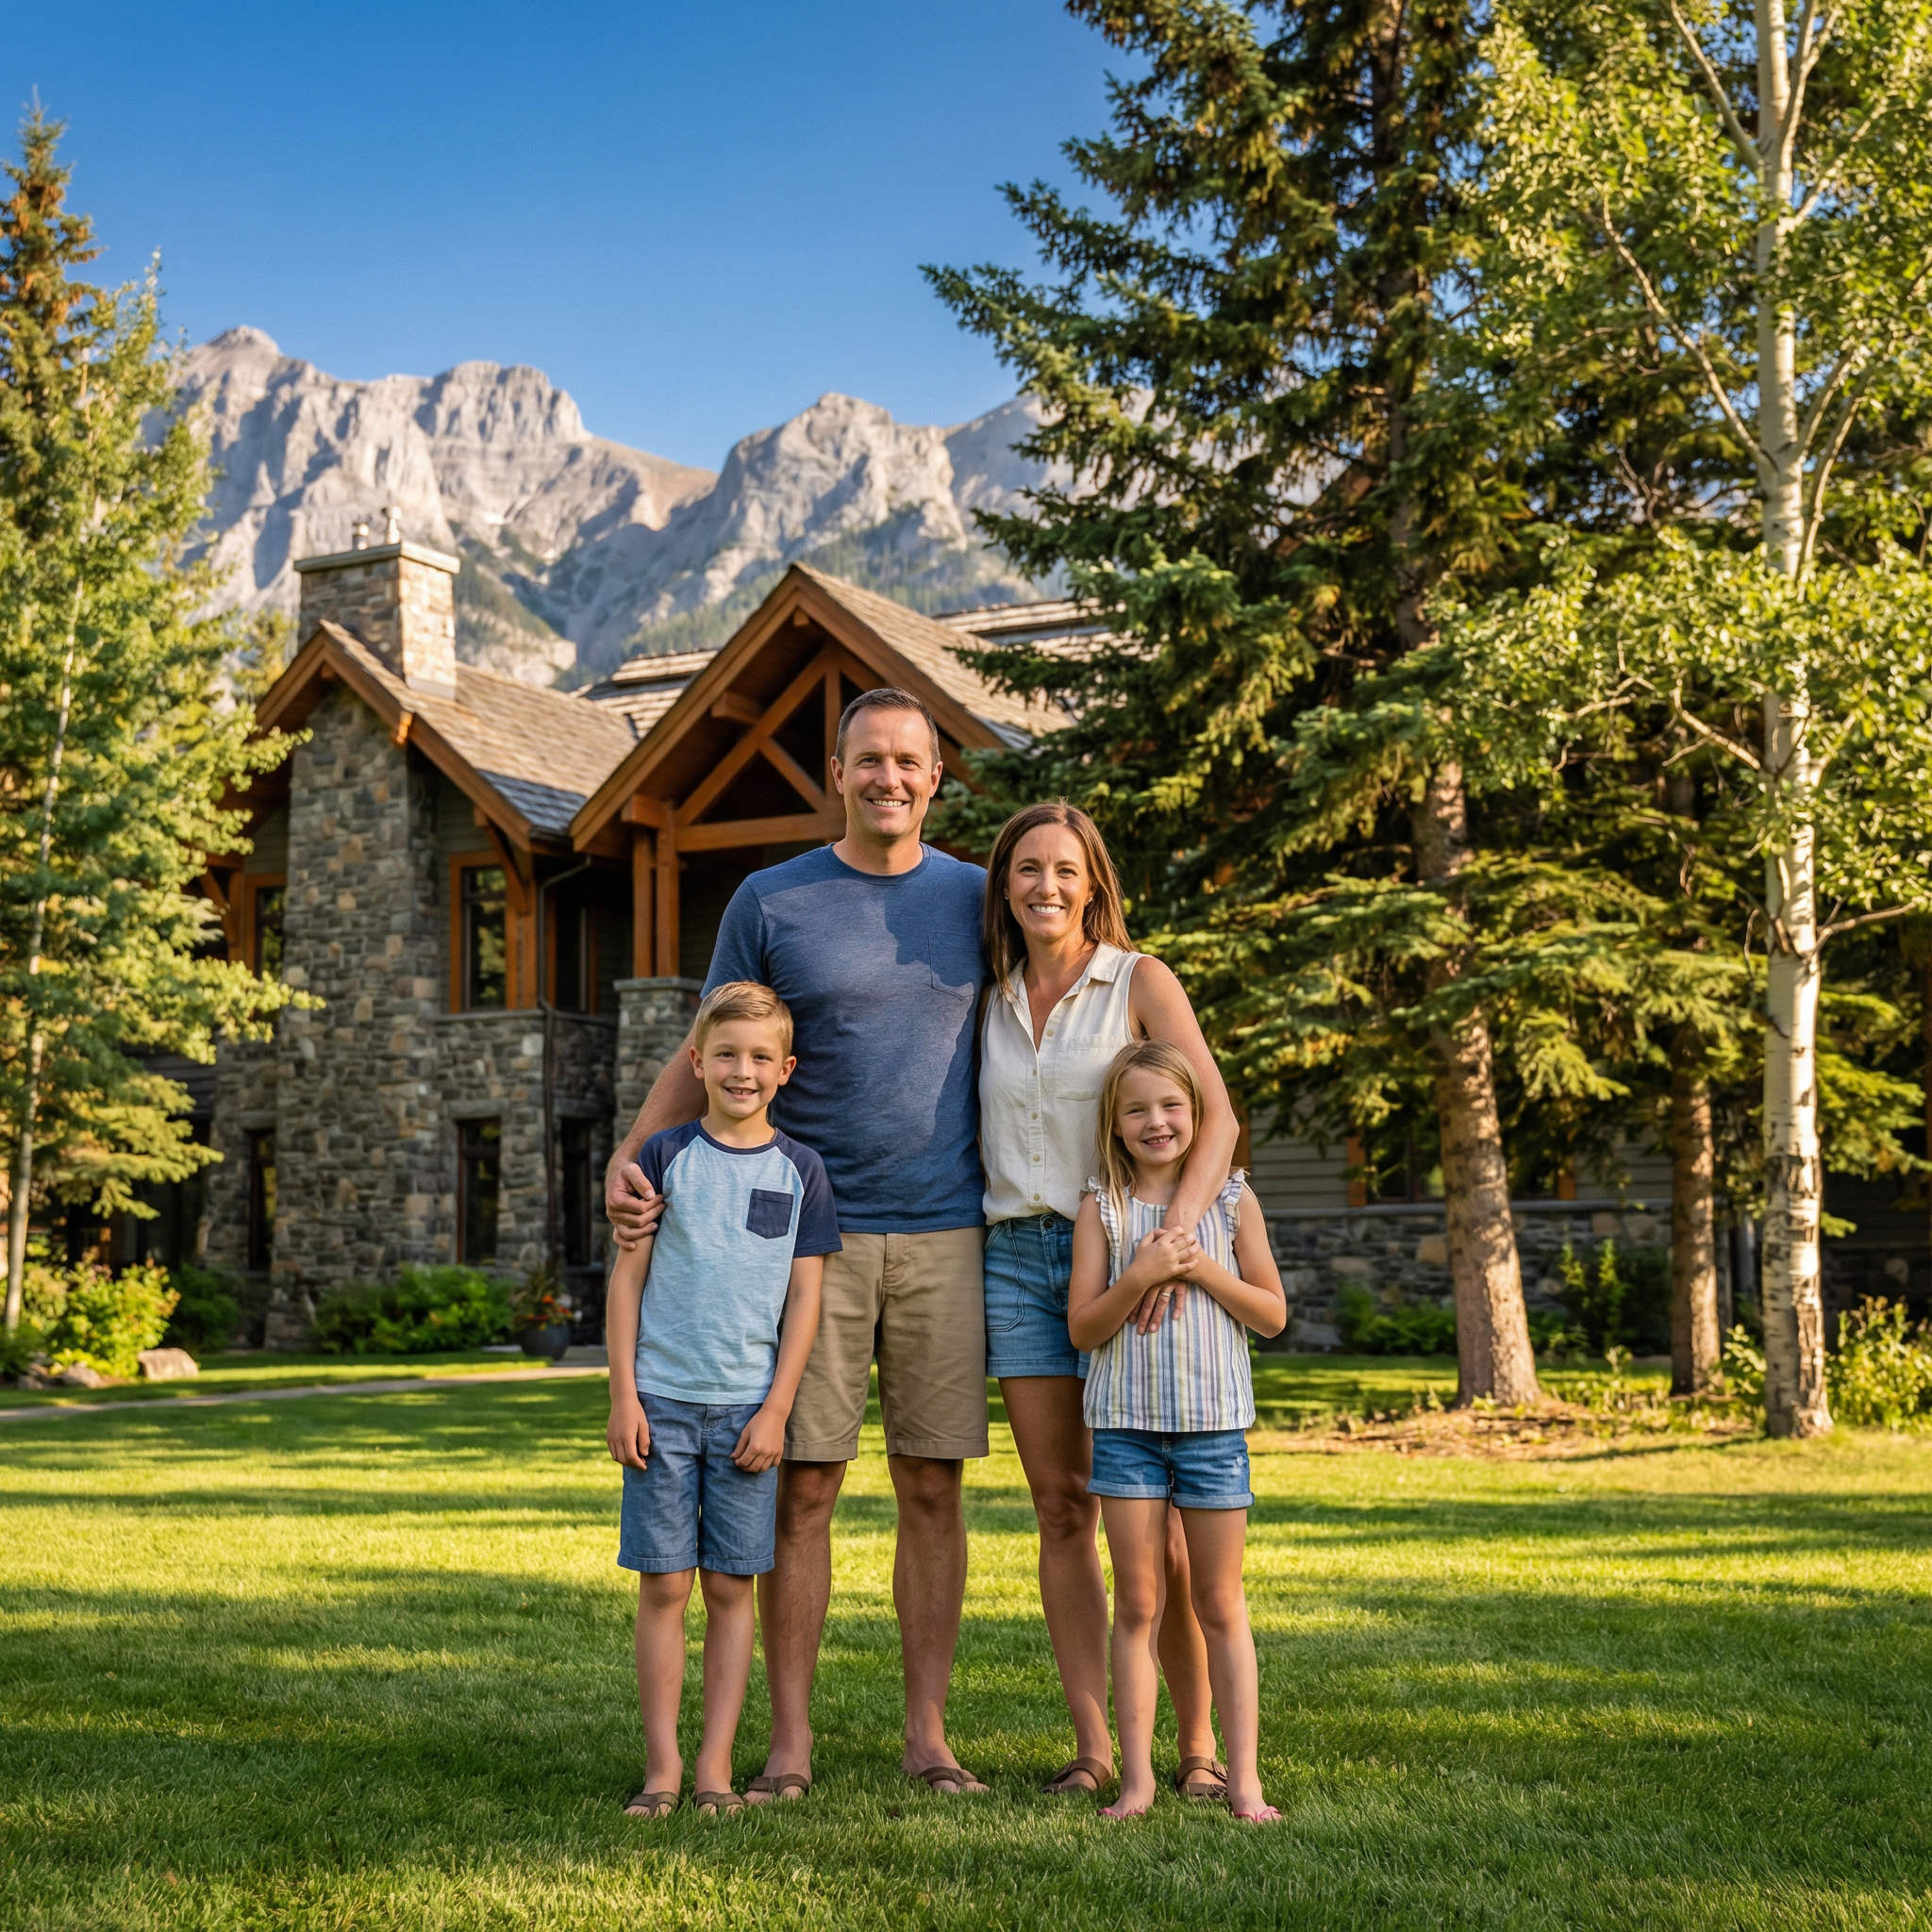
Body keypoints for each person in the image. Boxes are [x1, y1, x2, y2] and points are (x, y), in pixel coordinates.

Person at [605, 687, 992, 1801]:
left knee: (931, 1485)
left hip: (943, 1230)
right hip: (805, 1240)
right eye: (867, 758)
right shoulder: (772, 897)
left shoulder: (978, 896)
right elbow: (708, 1036)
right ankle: (785, 1744)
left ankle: (927, 1737)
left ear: (933, 776)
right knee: (804, 1485)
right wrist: (632, 1156)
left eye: (908, 761)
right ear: (837, 771)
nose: (888, 777)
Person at [978, 800, 1241, 1800]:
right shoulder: (988, 995)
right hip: (1014, 1259)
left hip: (1131, 1255)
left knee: (1158, 1519)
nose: (1045, 885)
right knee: (1060, 1506)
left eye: (1065, 869)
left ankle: (1199, 1746)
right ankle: (1095, 1746)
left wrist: (1168, 1239)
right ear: (1003, 885)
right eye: (1026, 869)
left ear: (1094, 883)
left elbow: (1212, 1111)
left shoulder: (1138, 978)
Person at [605, 979, 836, 1818]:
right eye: (727, 1055)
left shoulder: (802, 1171)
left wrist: (776, 1411)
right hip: (661, 1405)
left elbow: (804, 1303)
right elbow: (627, 1283)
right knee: (666, 1585)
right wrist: (622, 1394)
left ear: (785, 1071)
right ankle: (662, 1768)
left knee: (732, 1588)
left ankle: (714, 1769)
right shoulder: (664, 1158)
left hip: (747, 1416)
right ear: (697, 1062)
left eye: (760, 1059)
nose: (743, 1071)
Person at [1069, 1041, 1286, 1823]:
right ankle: (1138, 1782)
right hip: (1125, 1432)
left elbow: (1271, 1313)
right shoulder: (1104, 1208)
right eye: (1137, 1109)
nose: (1156, 1121)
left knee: (1221, 1603)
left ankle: (1246, 1781)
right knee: (1138, 1605)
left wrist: (1200, 1270)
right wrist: (1139, 1274)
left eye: (1171, 1106)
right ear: (1115, 1124)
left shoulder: (1232, 1202)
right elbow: (1085, 1329)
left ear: (1199, 1116)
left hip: (1213, 1433)